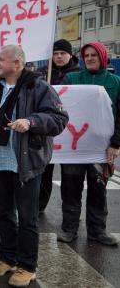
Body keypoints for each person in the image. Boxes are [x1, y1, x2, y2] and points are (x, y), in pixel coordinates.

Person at [0, 45, 68, 287]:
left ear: (17, 63)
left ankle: (27, 266)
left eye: (1, 60)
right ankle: (7, 258)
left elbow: (59, 118)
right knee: (3, 213)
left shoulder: (38, 86)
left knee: (27, 217)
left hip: (26, 162)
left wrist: (31, 121)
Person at [58, 42, 119, 246]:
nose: (90, 58)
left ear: (103, 57)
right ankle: (69, 228)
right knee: (70, 188)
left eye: (94, 55)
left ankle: (97, 230)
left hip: (101, 149)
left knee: (98, 189)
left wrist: (115, 144)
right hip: (74, 148)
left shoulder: (115, 82)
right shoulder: (72, 78)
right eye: (86, 55)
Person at [36, 39, 79, 213]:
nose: (59, 57)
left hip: (72, 134)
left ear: (70, 55)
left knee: (70, 177)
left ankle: (70, 211)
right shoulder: (41, 74)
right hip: (49, 130)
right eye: (55, 53)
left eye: (62, 53)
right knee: (44, 172)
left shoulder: (78, 74)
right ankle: (39, 206)